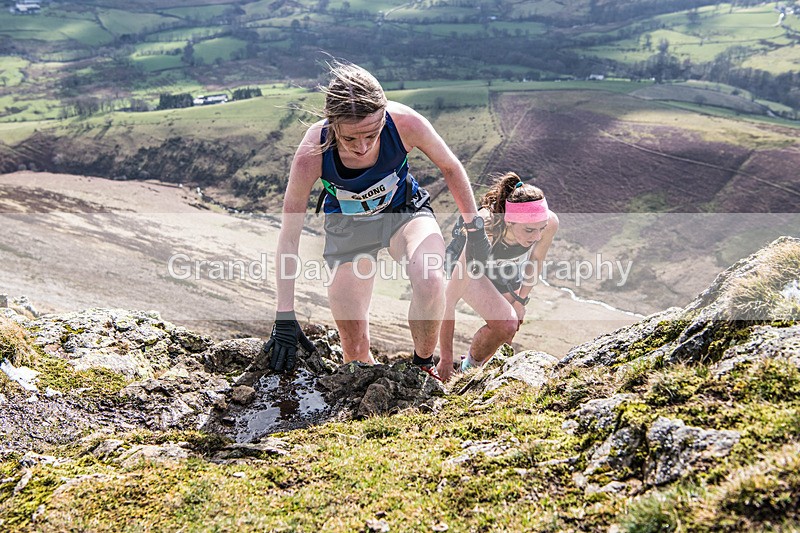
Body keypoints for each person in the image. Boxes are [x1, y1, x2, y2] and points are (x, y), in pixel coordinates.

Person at [264, 61, 490, 379]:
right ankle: (365, 388)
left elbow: (450, 168)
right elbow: (289, 235)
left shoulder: (405, 123)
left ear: (384, 115)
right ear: (332, 125)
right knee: (354, 348)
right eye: (350, 139)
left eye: (372, 134)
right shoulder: (311, 152)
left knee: (429, 277)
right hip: (349, 228)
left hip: (403, 213)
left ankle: (422, 364)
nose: (363, 146)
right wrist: (284, 314)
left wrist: (473, 226)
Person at [437, 172, 558, 382]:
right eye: (529, 230)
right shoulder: (485, 228)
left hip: (501, 267)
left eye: (541, 229)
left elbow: (536, 260)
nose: (537, 237)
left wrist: (521, 301)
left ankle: (483, 375)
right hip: (466, 261)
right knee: (506, 323)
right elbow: (449, 300)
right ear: (509, 221)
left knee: (508, 331)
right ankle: (467, 372)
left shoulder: (549, 222)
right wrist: (445, 358)